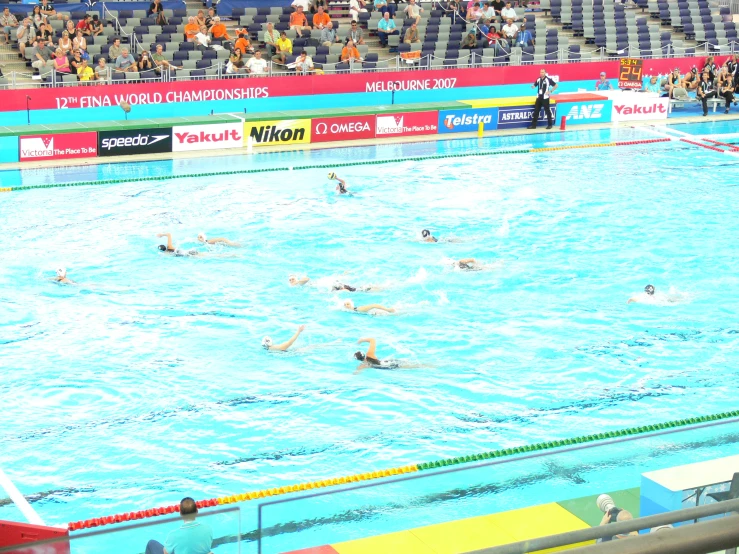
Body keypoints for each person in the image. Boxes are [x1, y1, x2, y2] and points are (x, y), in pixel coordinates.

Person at [144, 497, 212, 554]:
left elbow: (166, 553)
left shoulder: (173, 535)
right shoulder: (208, 529)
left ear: (181, 513)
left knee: (151, 543)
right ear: (197, 511)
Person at [353, 338, 423, 373]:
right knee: (415, 364)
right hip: (387, 362)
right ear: (364, 354)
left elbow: (355, 373)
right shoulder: (370, 355)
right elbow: (372, 340)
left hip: (387, 367)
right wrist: (362, 340)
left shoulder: (363, 365)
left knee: (415, 366)